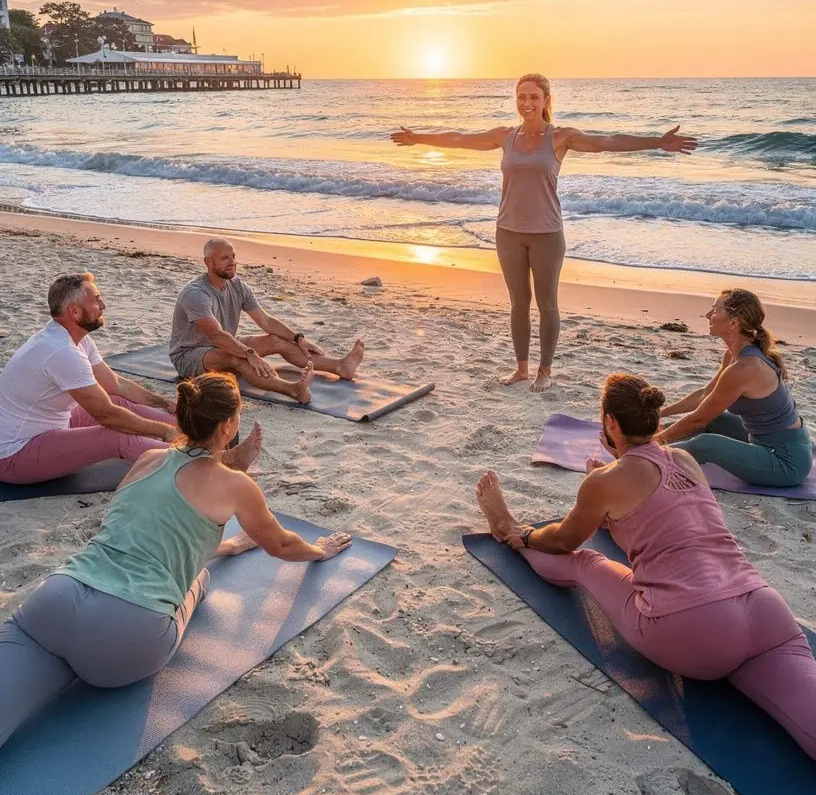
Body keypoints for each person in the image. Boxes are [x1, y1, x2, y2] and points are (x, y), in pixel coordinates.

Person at [0, 372, 351, 751]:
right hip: (128, 634)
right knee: (198, 579)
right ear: (229, 425)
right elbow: (281, 545)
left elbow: (136, 533)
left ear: (181, 418)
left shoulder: (148, 459)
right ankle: (220, 554)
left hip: (56, 600)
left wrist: (231, 544)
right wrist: (321, 550)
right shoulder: (236, 486)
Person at [475, 372, 816, 759]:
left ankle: (505, 527)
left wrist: (528, 533)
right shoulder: (685, 459)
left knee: (584, 563)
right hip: (764, 609)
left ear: (611, 424)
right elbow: (665, 519)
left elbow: (564, 541)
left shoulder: (606, 480)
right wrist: (605, 495)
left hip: (693, 629)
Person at [391, 75, 696, 391]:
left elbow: (607, 141)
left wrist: (657, 142)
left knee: (547, 303)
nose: (527, 103)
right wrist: (418, 138)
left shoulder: (560, 137)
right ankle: (521, 369)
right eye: (522, 96)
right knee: (518, 303)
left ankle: (544, 372)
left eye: (534, 97)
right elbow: (459, 138)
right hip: (507, 231)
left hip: (547, 233)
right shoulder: (505, 136)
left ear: (546, 100)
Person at [0, 272, 178, 485]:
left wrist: (166, 404)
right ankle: (200, 463)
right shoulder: (62, 351)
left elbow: (116, 384)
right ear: (74, 311)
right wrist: (163, 431)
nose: (103, 305)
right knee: (116, 436)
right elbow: (108, 416)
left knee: (116, 400)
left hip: (52, 424)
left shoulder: (75, 339)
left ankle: (195, 429)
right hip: (14, 454)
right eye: (95, 300)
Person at [170, 239, 365, 404]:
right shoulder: (196, 294)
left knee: (275, 340)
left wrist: (298, 338)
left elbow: (265, 320)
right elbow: (217, 336)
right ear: (208, 262)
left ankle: (340, 366)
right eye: (224, 258)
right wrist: (249, 354)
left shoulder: (237, 286)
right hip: (189, 355)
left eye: (233, 257)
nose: (232, 262)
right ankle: (293, 390)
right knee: (237, 358)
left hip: (221, 345)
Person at [657, 288, 812, 488]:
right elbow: (705, 395)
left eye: (714, 311)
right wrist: (660, 413)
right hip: (760, 439)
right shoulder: (732, 355)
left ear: (733, 323)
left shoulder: (745, 368)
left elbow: (698, 419)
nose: (707, 316)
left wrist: (657, 441)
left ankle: (643, 454)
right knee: (715, 420)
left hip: (786, 461)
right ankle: (643, 438)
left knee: (706, 444)